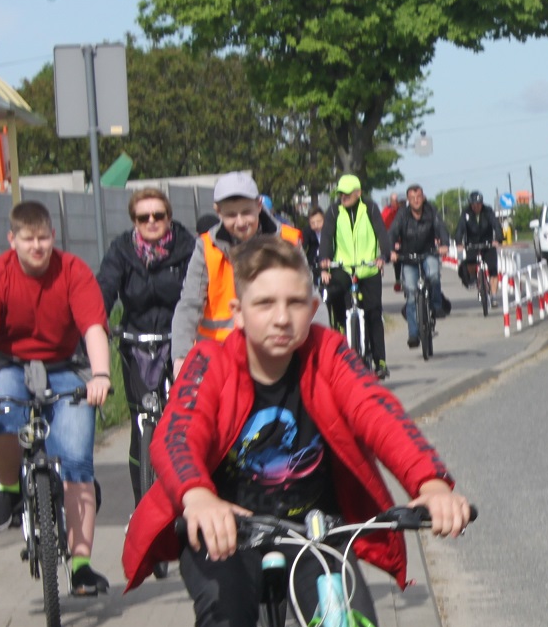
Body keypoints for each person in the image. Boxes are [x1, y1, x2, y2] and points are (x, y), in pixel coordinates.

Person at [120, 235, 473, 627]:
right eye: (264, 303)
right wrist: (198, 496)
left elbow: (378, 411)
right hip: (225, 532)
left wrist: (430, 481)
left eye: (295, 302)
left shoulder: (327, 354)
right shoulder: (210, 363)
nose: (281, 317)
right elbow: (177, 434)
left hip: (313, 531)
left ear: (314, 306)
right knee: (225, 626)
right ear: (239, 312)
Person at [0, 200, 116, 596]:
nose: (37, 247)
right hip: (9, 361)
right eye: (28, 239)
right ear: (12, 240)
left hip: (67, 363)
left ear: (53, 237)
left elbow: (94, 329)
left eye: (44, 238)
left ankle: (80, 565)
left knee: (77, 460)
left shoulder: (73, 272)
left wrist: (100, 376)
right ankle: (10, 487)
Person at [97, 187, 193, 499]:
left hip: (177, 342)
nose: (151, 221)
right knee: (142, 425)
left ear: (169, 217)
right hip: (136, 343)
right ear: (134, 221)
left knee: (184, 423)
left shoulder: (188, 247)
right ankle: (143, 503)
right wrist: (97, 320)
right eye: (143, 217)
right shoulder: (122, 250)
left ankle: (187, 493)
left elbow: (198, 292)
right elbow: (105, 287)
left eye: (158, 215)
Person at [171, 171, 305, 374]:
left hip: (275, 352)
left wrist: (320, 352)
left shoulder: (288, 241)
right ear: (218, 212)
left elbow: (307, 297)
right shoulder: (206, 247)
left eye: (247, 212)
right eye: (231, 215)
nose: (240, 222)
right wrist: (181, 357)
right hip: (220, 357)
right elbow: (190, 303)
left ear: (259, 205)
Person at [320, 173, 391, 378]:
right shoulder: (334, 211)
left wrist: (383, 256)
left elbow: (381, 233)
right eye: (341, 193)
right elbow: (326, 236)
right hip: (343, 267)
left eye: (347, 193)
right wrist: (324, 261)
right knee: (332, 294)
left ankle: (379, 360)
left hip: (367, 268)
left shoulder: (370, 208)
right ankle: (341, 333)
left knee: (373, 312)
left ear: (358, 193)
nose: (343, 196)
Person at [388, 183, 452, 349]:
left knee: (433, 275)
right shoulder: (402, 214)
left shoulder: (431, 211)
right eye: (412, 198)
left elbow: (441, 228)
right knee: (410, 293)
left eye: (419, 197)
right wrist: (390, 251)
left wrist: (444, 244)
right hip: (408, 257)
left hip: (428, 253)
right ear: (408, 200)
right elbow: (392, 232)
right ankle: (413, 334)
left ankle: (437, 306)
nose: (416, 201)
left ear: (423, 198)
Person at [456, 190, 502, 284]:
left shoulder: (488, 211)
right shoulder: (466, 213)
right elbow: (460, 228)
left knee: (493, 270)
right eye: (473, 204)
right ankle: (473, 276)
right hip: (472, 242)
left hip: (487, 242)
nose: (475, 207)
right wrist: (459, 242)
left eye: (478, 204)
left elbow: (496, 225)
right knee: (471, 261)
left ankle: (493, 297)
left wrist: (498, 239)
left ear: (481, 203)